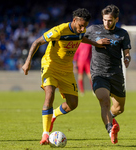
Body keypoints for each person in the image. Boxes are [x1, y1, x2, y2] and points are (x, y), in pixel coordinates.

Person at [22, 8, 109, 145]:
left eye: (85, 26)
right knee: (49, 94)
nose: (82, 29)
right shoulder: (59, 30)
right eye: (81, 26)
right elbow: (37, 42)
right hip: (50, 66)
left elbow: (81, 38)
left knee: (73, 104)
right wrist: (27, 62)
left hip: (67, 70)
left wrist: (95, 43)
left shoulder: (80, 31)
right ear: (74, 20)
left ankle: (54, 115)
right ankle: (45, 134)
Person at [84, 4, 131, 144]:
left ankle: (109, 116)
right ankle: (111, 129)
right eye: (104, 20)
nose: (106, 23)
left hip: (116, 74)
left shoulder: (123, 33)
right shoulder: (93, 30)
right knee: (104, 100)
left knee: (119, 108)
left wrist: (127, 59)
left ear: (116, 19)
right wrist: (95, 43)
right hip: (99, 73)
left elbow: (127, 52)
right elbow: (78, 37)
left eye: (110, 20)